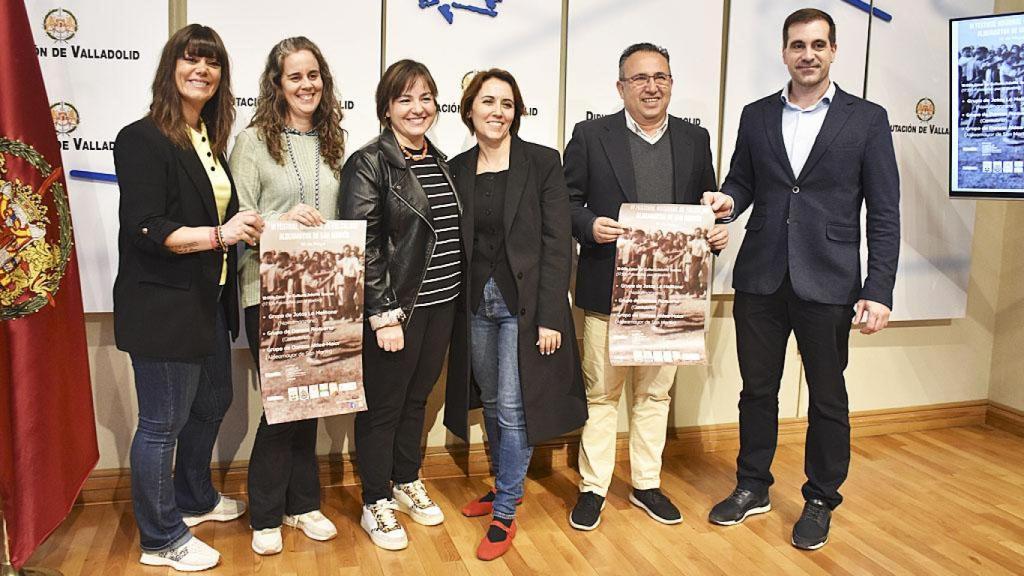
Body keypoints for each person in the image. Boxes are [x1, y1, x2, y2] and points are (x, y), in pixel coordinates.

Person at [702, 8, 900, 551]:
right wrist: (727, 201)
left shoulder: (867, 119)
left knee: (828, 398)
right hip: (761, 277)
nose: (807, 54)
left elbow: (884, 212)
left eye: (818, 44)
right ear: (784, 52)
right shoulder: (757, 114)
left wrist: (878, 288)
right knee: (756, 392)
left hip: (831, 281)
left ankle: (819, 498)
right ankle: (752, 486)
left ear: (833, 51)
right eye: (797, 45)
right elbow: (742, 180)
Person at [113, 24, 264, 572]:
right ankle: (160, 538)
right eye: (191, 59)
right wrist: (222, 236)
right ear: (170, 67)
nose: (202, 69)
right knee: (161, 425)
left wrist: (257, 227)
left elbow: (218, 218)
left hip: (207, 304)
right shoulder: (142, 137)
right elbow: (147, 226)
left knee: (211, 403)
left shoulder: (208, 140)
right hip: (162, 308)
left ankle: (192, 498)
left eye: (213, 62)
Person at [563, 42, 728, 530]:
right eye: (640, 78)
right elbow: (567, 202)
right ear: (621, 87)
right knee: (602, 397)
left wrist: (716, 231)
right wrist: (589, 226)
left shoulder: (695, 140)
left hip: (671, 295)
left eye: (660, 77)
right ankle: (592, 488)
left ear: (672, 84)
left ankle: (646, 484)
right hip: (608, 291)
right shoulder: (591, 136)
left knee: (655, 397)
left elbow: (708, 206)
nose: (651, 86)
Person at [443, 69, 587, 561]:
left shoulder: (543, 163)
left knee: (512, 406)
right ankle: (509, 481)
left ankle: (505, 509)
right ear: (469, 110)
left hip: (524, 310)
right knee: (490, 403)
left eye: (507, 103)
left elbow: (556, 243)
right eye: (488, 101)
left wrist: (551, 315)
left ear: (517, 112)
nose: (498, 111)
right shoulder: (457, 168)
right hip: (475, 307)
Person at [228, 36, 345, 555]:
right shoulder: (252, 142)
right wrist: (283, 220)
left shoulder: (334, 140)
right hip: (268, 291)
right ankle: (267, 514)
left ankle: (303, 504)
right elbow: (241, 221)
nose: (307, 85)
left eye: (313, 75)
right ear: (276, 84)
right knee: (282, 403)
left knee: (313, 399)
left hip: (329, 294)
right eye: (295, 76)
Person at [339, 59, 461, 551]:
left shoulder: (441, 159)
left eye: (426, 97)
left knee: (417, 400)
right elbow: (363, 243)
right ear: (387, 108)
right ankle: (375, 501)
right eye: (405, 98)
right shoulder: (369, 163)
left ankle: (406, 479)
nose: (418, 108)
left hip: (441, 305)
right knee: (383, 408)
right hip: (398, 313)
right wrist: (383, 312)